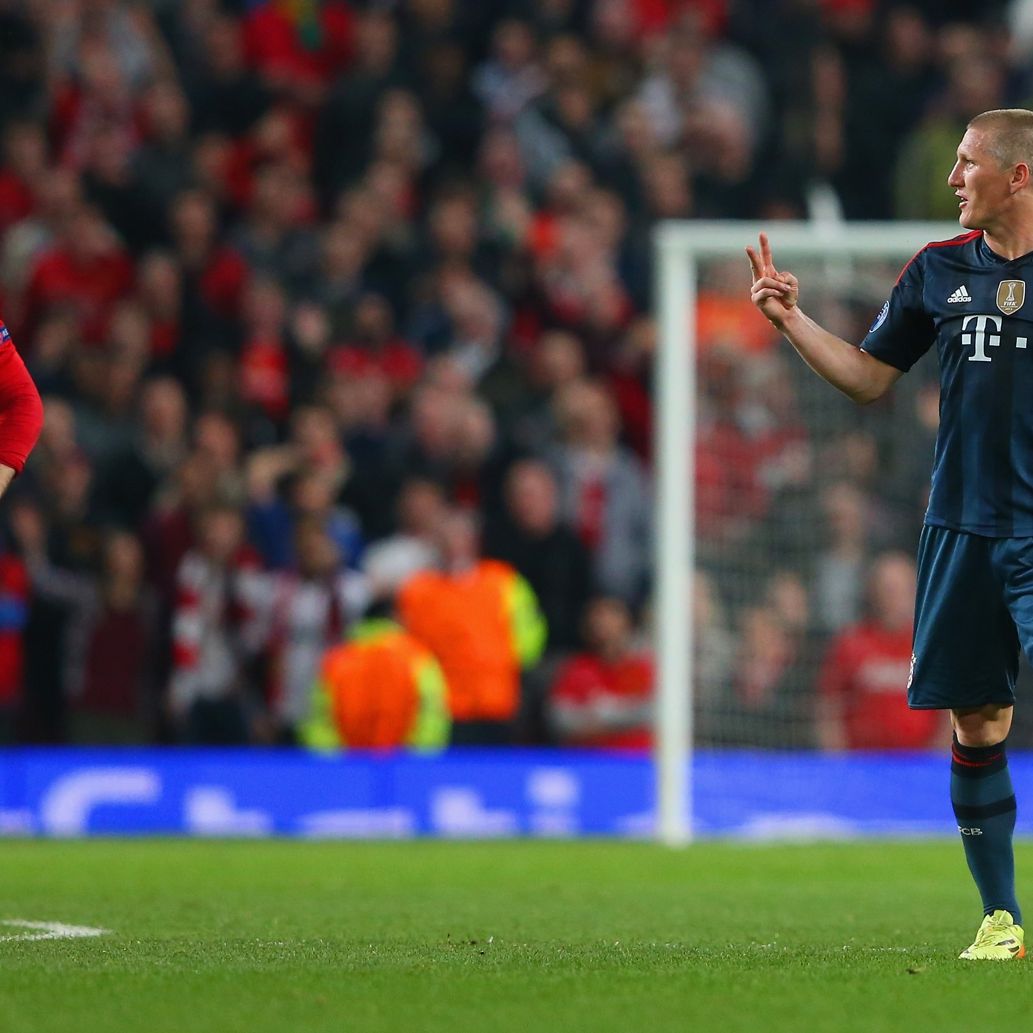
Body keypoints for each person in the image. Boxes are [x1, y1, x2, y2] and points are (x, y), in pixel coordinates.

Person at [746, 107, 1033, 960]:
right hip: (960, 530)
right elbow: (870, 377)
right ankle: (1001, 920)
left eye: (967, 162)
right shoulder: (937, 269)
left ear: (1017, 175)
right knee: (976, 719)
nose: (951, 178)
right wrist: (790, 321)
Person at [817, 552, 943, 752]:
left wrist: (935, 762)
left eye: (902, 589)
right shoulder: (850, 644)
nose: (895, 598)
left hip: (920, 762)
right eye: (888, 589)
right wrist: (838, 762)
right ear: (873, 593)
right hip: (862, 762)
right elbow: (830, 709)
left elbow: (949, 715)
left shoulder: (933, 646)